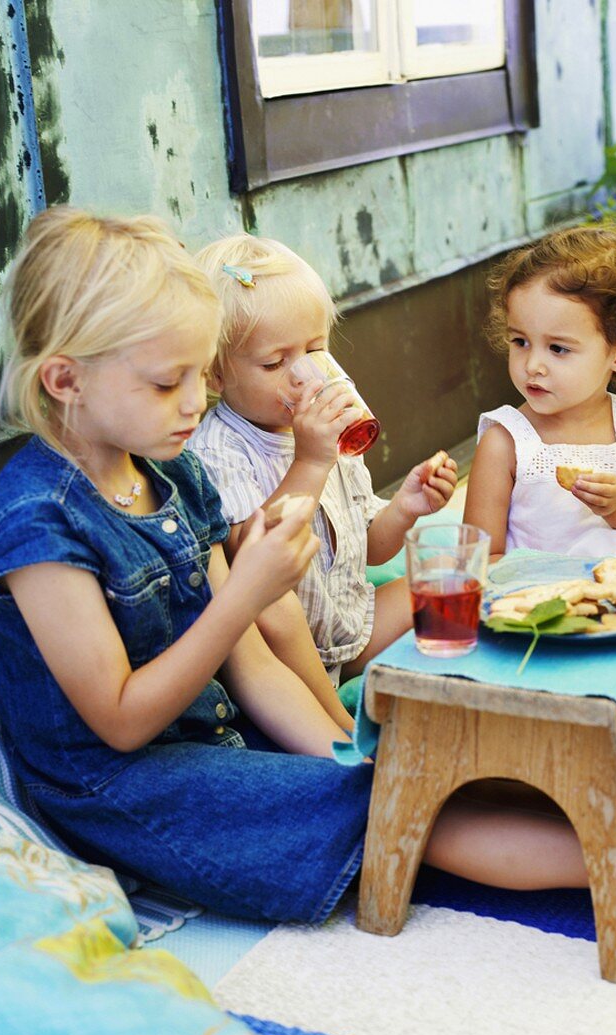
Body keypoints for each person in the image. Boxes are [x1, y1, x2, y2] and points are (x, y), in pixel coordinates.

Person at [0, 206, 616, 926]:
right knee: (389, 802)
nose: (195, 402)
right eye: (168, 382)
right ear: (65, 380)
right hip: (132, 794)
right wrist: (246, 601)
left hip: (220, 734)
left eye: (200, 376)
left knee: (400, 770)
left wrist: (340, 742)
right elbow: (121, 720)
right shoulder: (38, 526)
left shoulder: (163, 468)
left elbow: (255, 657)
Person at [187, 233, 458, 695]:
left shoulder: (330, 428)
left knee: (456, 578)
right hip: (285, 659)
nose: (303, 375)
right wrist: (311, 461)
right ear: (215, 374)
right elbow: (248, 551)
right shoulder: (218, 451)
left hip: (350, 628)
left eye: (314, 350)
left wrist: (406, 507)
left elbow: (369, 547)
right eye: (275, 363)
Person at [464, 224, 616, 560]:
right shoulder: (505, 442)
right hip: (536, 601)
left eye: (558, 349)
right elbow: (477, 559)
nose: (533, 365)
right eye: (520, 341)